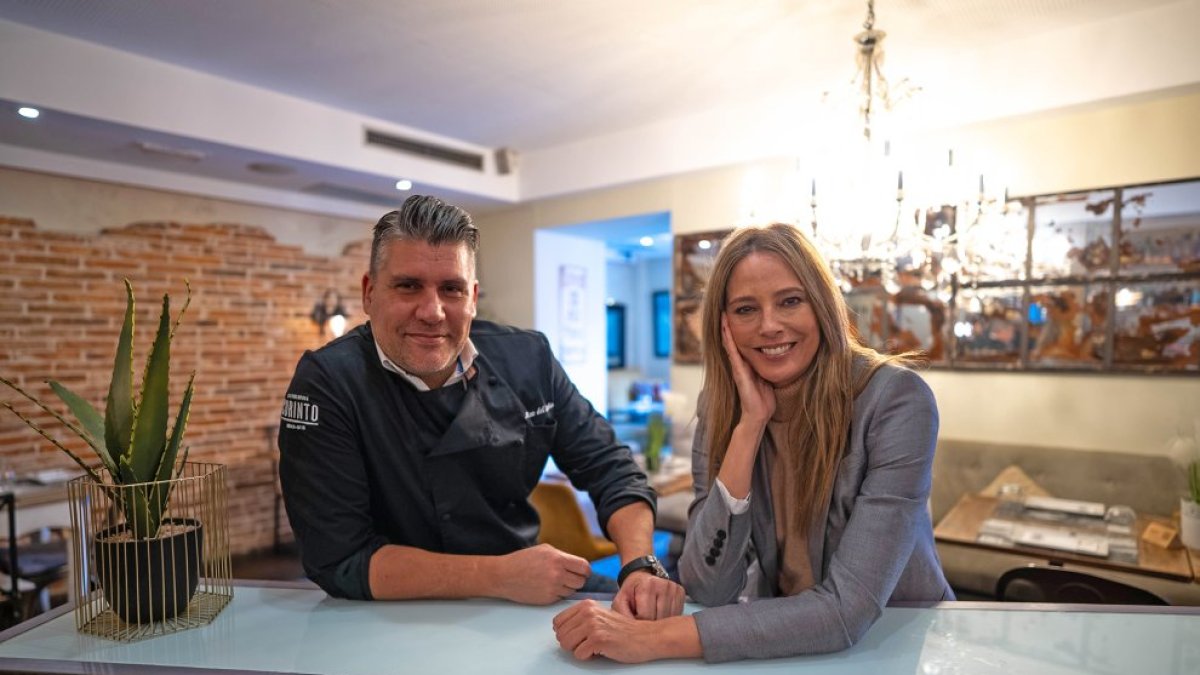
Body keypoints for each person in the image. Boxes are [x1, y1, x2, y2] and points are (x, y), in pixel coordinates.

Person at [553, 222, 952, 663]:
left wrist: (652, 639)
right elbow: (707, 584)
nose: (770, 326)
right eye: (745, 309)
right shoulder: (723, 406)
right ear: (723, 326)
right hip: (788, 643)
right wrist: (748, 427)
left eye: (790, 301)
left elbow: (847, 609)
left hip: (898, 639)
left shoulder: (896, 400)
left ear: (821, 306)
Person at [279, 194, 684, 618]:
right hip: (386, 610)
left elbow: (610, 467)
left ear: (472, 297)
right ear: (369, 292)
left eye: (451, 289)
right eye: (408, 285)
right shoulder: (327, 383)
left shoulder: (528, 359)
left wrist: (641, 564)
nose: (432, 311)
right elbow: (339, 559)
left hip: (520, 596)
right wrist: (500, 576)